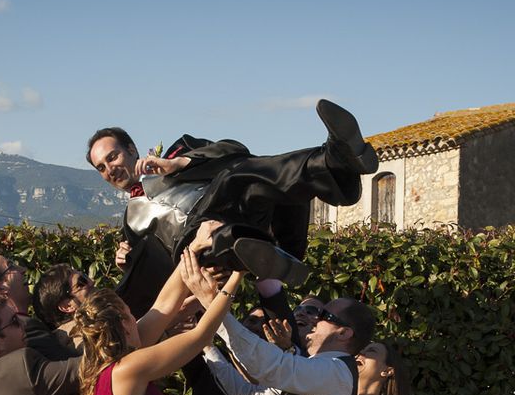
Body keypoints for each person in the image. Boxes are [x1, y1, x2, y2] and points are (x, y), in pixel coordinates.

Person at [86, 99, 378, 317]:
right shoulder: (130, 223)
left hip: (232, 207)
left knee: (242, 176)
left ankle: (338, 165)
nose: (110, 168)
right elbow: (155, 275)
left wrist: (179, 164)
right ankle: (335, 174)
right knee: (227, 204)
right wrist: (129, 261)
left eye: (113, 157)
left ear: (132, 150)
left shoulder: (180, 150)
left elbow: (235, 150)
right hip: (200, 251)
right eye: (101, 167)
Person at [74, 247, 244, 395]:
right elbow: (201, 336)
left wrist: (195, 247)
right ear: (123, 324)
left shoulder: (104, 372)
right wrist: (238, 274)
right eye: (130, 314)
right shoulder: (128, 368)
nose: (136, 319)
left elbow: (163, 307)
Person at [193, 284, 376, 395]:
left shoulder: (337, 373)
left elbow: (270, 366)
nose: (314, 320)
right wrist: (208, 346)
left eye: (323, 316)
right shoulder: (315, 370)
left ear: (343, 333)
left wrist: (215, 307)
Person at [0, 252, 80, 360]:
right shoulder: (27, 330)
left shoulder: (8, 336)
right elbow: (76, 367)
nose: (23, 269)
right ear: (0, 288)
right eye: (11, 267)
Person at [33, 263, 95, 349]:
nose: (92, 281)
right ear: (67, 306)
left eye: (85, 276)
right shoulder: (87, 342)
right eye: (82, 282)